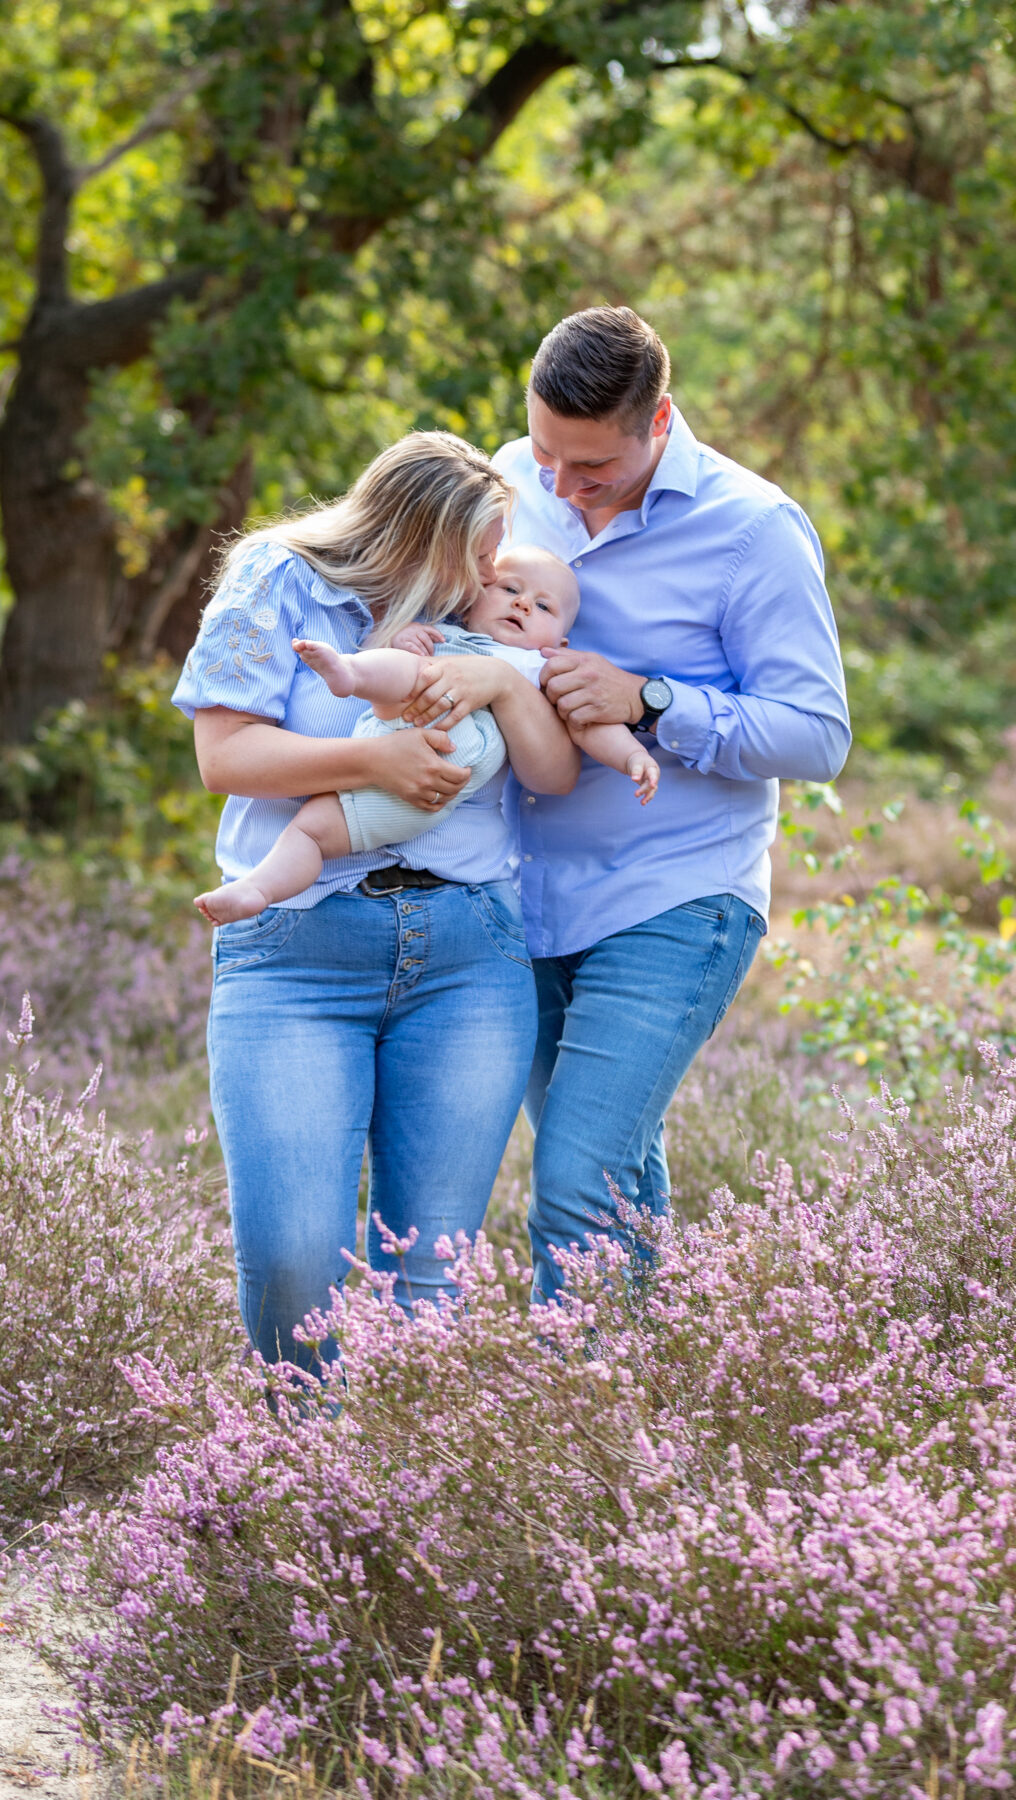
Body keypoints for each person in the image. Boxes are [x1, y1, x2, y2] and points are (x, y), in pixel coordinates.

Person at [172, 432, 578, 1374]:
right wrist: (368, 759)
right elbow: (223, 755)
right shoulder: (276, 578)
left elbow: (548, 761)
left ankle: (402, 1498)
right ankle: (306, 1473)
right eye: (478, 551)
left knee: (431, 1273)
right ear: (416, 531)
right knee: (293, 1260)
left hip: (468, 954)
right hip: (301, 948)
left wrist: (514, 687)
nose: (492, 572)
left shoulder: (477, 618)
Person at [490, 305, 851, 1301]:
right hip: (515, 894)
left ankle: (569, 1424)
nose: (558, 486)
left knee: (573, 1182)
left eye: (589, 469)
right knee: (610, 1165)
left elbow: (816, 733)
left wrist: (650, 702)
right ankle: (644, 1419)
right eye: (544, 452)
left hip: (675, 895)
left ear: (659, 425)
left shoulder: (754, 529)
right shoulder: (507, 480)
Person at [193, 543, 658, 925]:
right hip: (387, 728)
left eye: (542, 606)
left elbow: (590, 725)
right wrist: (404, 639)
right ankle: (347, 673)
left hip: (418, 801)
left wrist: (633, 758)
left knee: (313, 832)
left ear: (560, 641)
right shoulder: (441, 633)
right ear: (473, 598)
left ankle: (258, 887)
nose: (521, 603)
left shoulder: (545, 669)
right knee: (409, 665)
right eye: (509, 588)